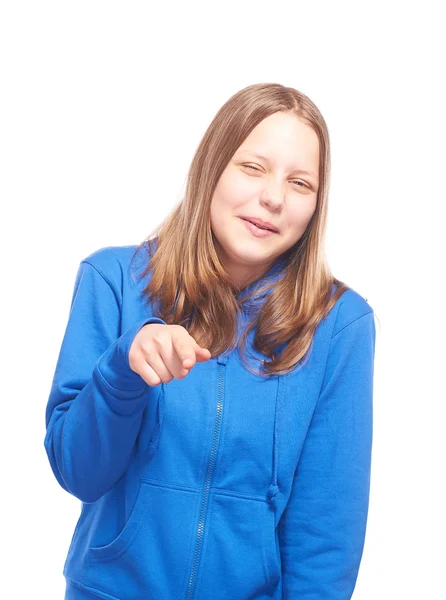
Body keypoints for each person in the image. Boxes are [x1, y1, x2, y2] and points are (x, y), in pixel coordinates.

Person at [44, 82, 377, 600]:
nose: (272, 197)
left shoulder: (340, 324)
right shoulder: (113, 280)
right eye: (253, 167)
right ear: (211, 166)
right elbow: (78, 472)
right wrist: (122, 372)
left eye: (300, 183)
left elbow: (326, 529)